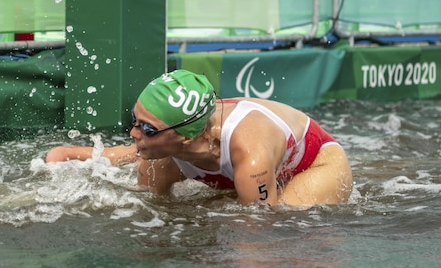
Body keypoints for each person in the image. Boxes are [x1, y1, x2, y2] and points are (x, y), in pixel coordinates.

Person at [45, 69, 353, 207]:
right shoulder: (159, 157)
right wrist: (63, 155)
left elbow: (261, 239)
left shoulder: (250, 156)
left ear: (186, 139)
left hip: (314, 164)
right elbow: (148, 206)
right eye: (133, 121)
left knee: (286, 223)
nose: (133, 133)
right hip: (241, 169)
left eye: (147, 129)